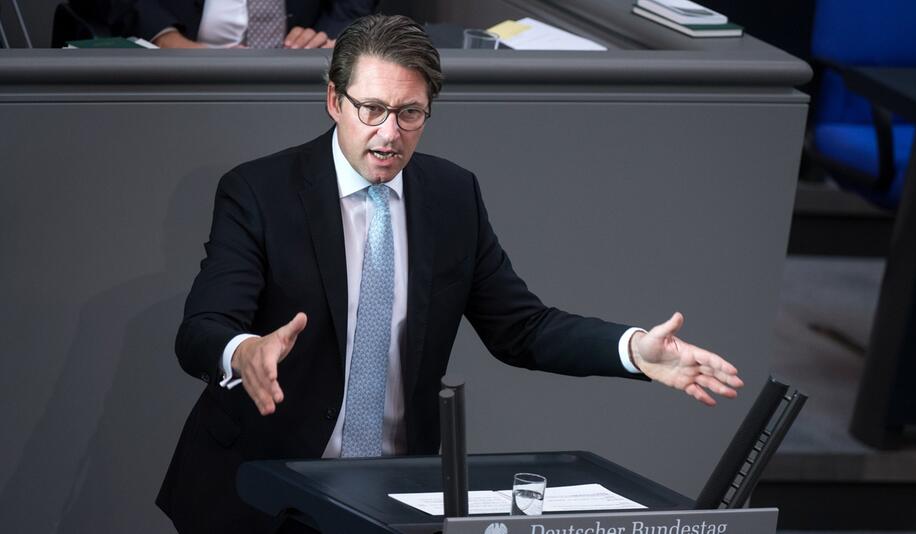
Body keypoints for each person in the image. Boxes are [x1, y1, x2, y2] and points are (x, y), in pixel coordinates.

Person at [157, 14, 744, 533]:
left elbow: (523, 328)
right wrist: (242, 353)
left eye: (410, 113)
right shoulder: (259, 192)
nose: (390, 134)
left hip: (387, 496)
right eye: (373, 110)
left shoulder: (451, 194)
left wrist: (634, 349)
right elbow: (201, 328)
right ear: (334, 100)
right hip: (261, 488)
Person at [122, 0, 378, 48]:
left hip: (296, 68)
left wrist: (326, 36)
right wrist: (166, 38)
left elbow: (350, 7)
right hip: (178, 60)